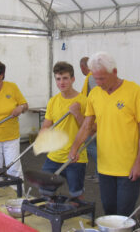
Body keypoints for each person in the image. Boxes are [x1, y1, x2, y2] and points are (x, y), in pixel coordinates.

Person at [69, 52, 140, 215]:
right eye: (95, 78)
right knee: (109, 211)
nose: (98, 83)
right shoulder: (94, 94)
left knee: (123, 214)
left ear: (114, 72)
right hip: (104, 167)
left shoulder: (134, 91)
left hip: (128, 167)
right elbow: (87, 126)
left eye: (102, 79)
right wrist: (75, 148)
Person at [40, 61, 87, 198]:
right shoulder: (53, 101)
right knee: (45, 191)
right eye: (58, 79)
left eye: (65, 78)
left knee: (76, 194)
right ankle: (51, 216)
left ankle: (80, 217)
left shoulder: (84, 101)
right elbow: (47, 124)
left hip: (75, 157)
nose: (62, 82)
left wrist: (77, 113)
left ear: (72, 79)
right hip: (54, 156)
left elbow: (91, 130)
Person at [80, 56, 98, 182]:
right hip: (93, 117)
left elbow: (97, 97)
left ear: (83, 67)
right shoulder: (92, 77)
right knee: (94, 146)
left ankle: (101, 173)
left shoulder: (91, 77)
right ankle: (99, 173)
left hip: (93, 119)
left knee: (89, 145)